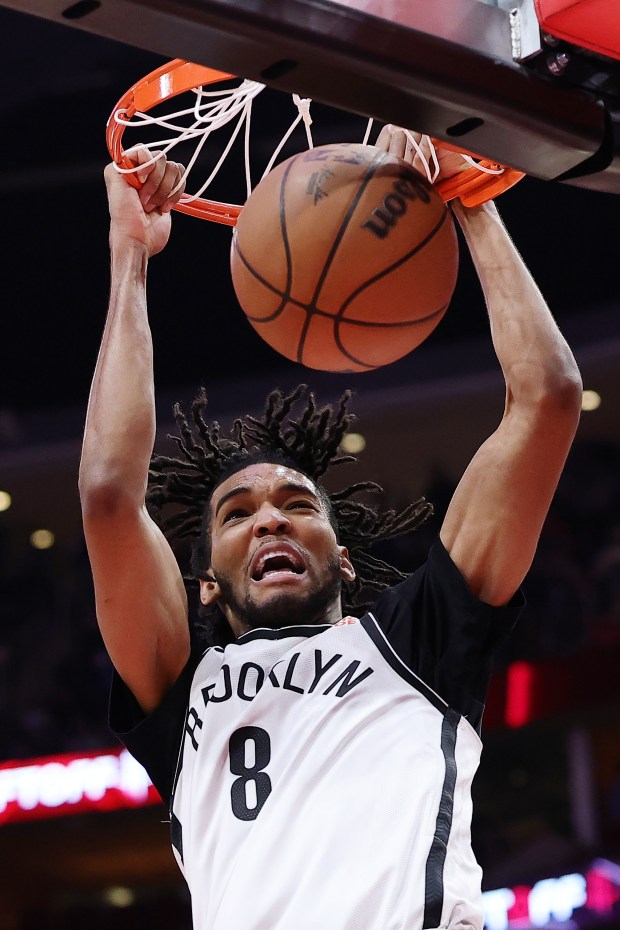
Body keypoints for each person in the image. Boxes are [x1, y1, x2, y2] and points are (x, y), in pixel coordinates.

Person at [79, 128, 582, 930]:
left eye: (297, 505)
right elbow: (110, 496)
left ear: (343, 561)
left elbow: (548, 399)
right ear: (205, 582)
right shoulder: (182, 688)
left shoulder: (418, 640)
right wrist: (130, 259)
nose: (271, 515)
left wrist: (469, 203)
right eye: (237, 516)